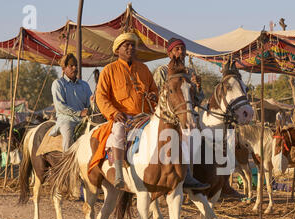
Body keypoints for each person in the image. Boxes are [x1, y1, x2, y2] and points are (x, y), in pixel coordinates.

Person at [94, 32, 159, 189]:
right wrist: (114, 113)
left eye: (132, 45)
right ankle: (118, 173)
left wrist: (153, 96)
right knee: (118, 132)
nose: (130, 48)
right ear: (118, 50)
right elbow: (101, 97)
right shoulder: (109, 70)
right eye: (126, 45)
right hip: (121, 117)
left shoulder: (144, 69)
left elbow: (155, 91)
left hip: (144, 117)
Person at [153, 37, 210, 191]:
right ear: (169, 53)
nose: (181, 52)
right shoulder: (162, 71)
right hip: (167, 117)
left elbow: (197, 100)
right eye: (177, 49)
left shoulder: (190, 72)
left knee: (201, 137)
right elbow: (157, 95)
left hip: (186, 116)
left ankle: (193, 175)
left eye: (183, 49)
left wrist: (197, 87)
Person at [50, 53, 92, 151]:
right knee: (68, 136)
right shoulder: (58, 84)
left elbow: (90, 104)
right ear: (63, 69)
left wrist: (93, 105)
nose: (75, 68)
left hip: (84, 120)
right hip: (67, 120)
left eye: (76, 66)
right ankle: (67, 163)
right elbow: (60, 107)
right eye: (71, 66)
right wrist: (80, 113)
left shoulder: (84, 85)